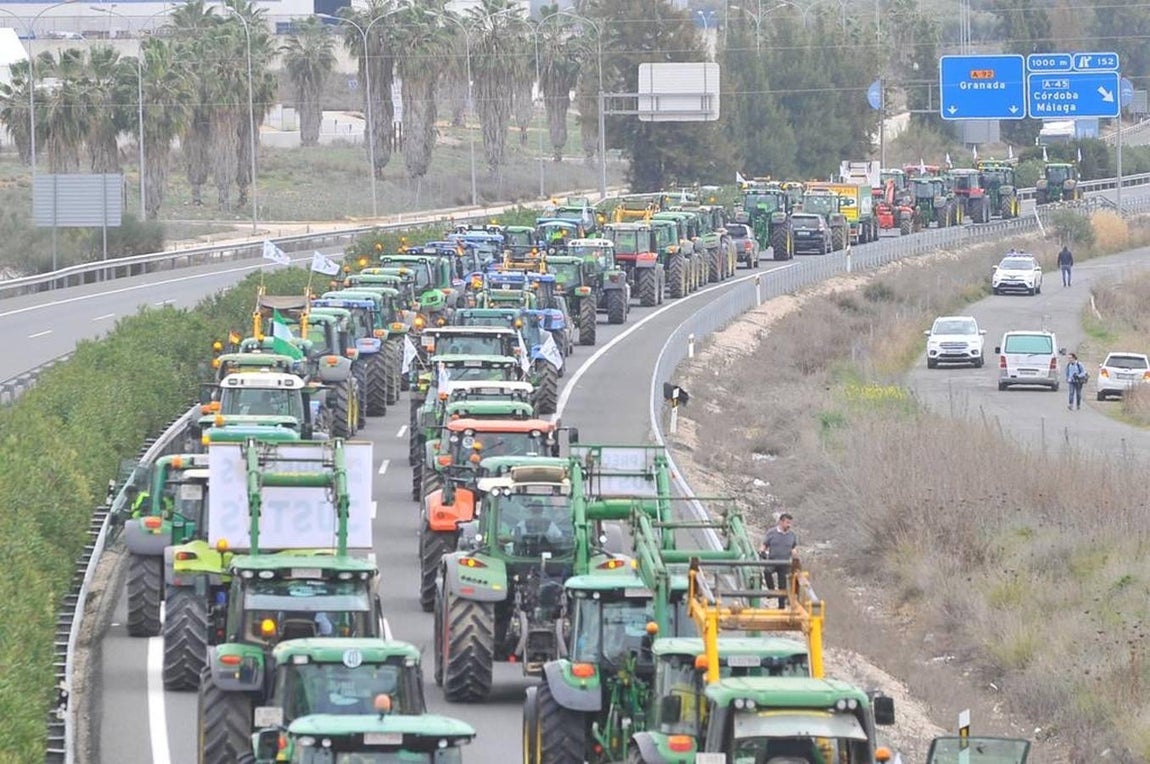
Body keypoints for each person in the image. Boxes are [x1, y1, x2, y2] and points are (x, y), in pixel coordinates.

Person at [760, 513, 799, 607]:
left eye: (790, 523)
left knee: (783, 586)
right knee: (767, 572)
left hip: (784, 563)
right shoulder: (772, 532)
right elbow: (764, 544)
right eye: (787, 523)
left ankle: (781, 607)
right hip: (773, 560)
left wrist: (795, 555)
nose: (789, 525)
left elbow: (793, 548)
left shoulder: (792, 535)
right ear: (781, 522)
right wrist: (762, 551)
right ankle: (771, 590)